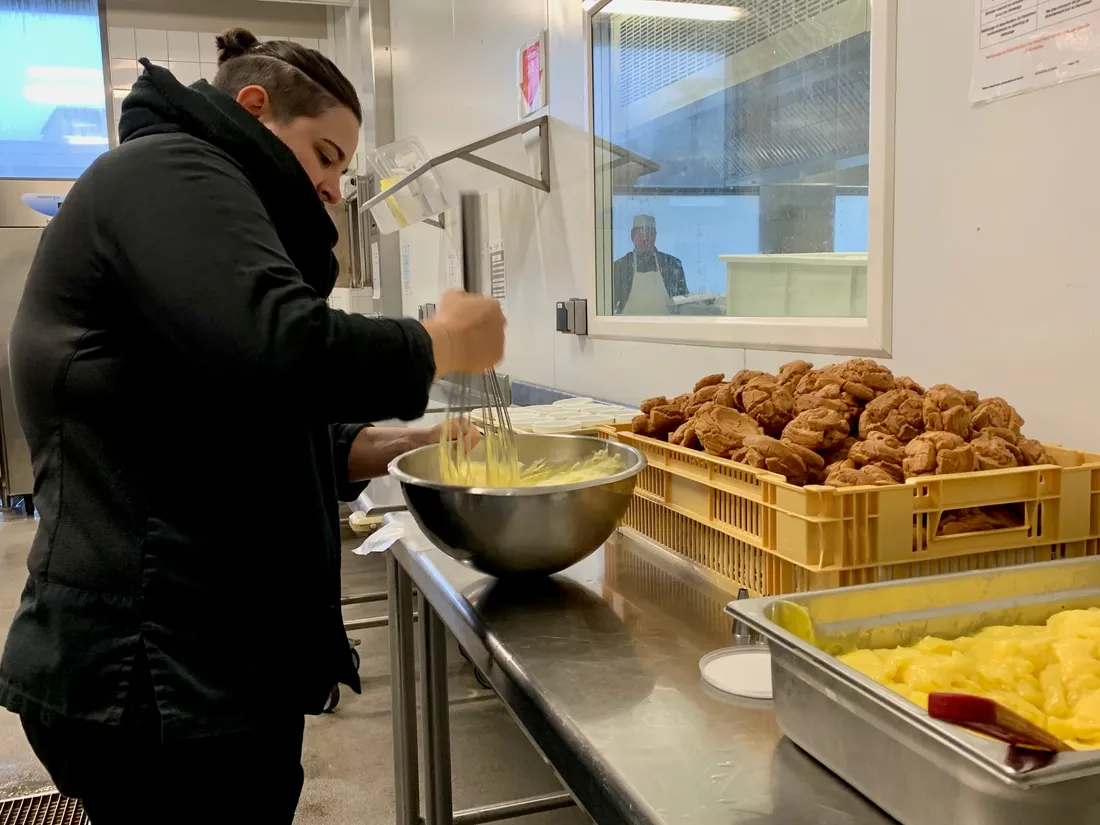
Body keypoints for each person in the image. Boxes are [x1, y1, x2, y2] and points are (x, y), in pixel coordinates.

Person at [0, 29, 504, 824]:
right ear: (256, 108)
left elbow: (252, 421)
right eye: (326, 155)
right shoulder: (166, 169)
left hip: (206, 669)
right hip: (155, 677)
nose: (336, 188)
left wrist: (409, 441)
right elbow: (281, 344)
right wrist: (439, 341)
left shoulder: (188, 203)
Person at [611, 214, 688, 315]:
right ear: (632, 236)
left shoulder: (672, 265)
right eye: (640, 234)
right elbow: (610, 306)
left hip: (666, 328)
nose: (645, 239)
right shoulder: (620, 267)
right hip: (629, 328)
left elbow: (684, 303)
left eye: (650, 234)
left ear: (655, 236)